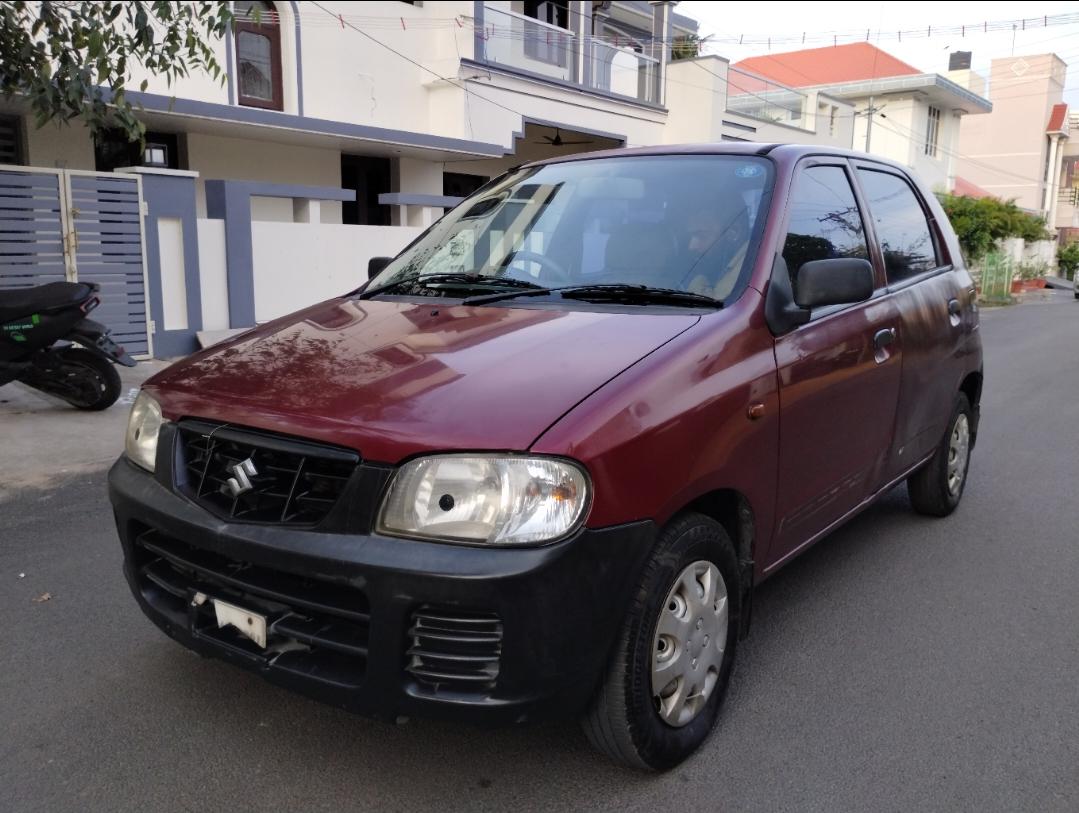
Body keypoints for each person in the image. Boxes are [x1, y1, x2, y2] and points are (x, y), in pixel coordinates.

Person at [680, 198, 751, 301]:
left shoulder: (749, 264)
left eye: (701, 236)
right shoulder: (724, 260)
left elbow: (713, 306)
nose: (691, 246)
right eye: (691, 237)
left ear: (733, 232)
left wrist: (696, 280)